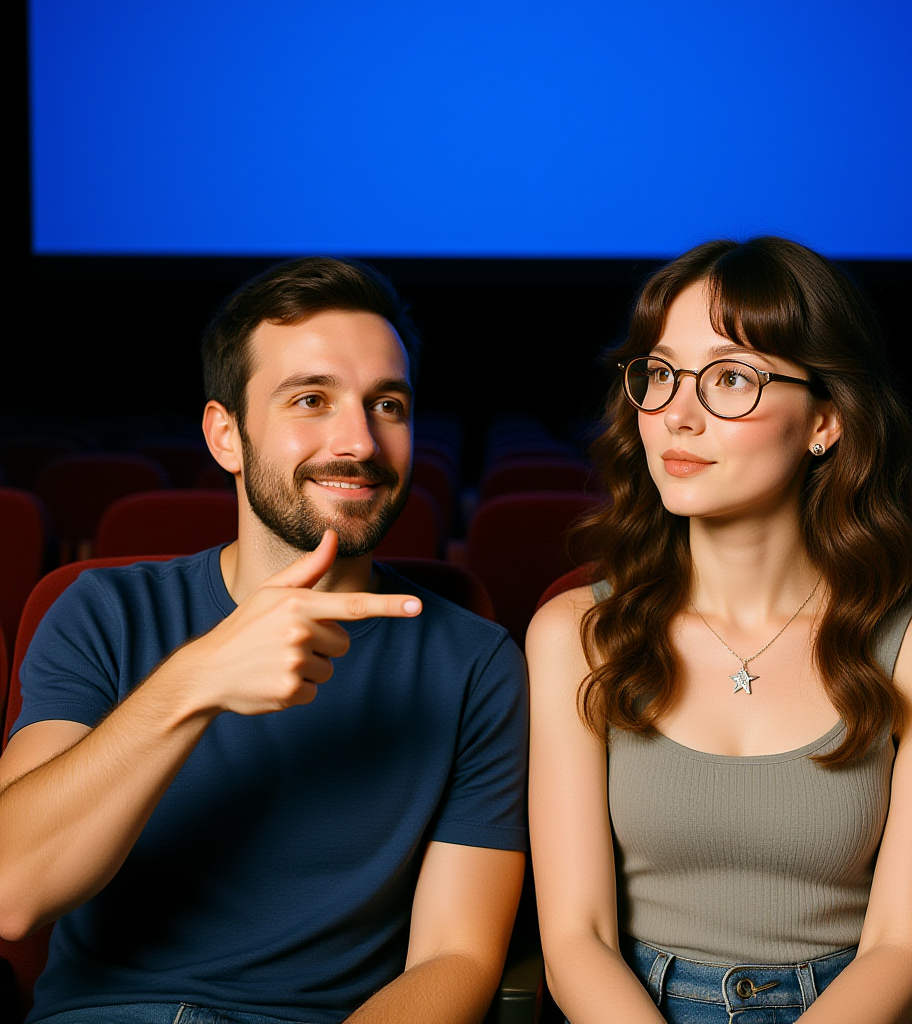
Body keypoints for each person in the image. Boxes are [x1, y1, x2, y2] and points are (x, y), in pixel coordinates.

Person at [0, 258, 528, 1024]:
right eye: (311, 400)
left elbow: (457, 957)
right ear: (227, 436)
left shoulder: (477, 663)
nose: (359, 442)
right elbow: (12, 891)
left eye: (387, 405)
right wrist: (196, 682)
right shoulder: (103, 611)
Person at [526, 238, 912, 1023]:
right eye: (661, 374)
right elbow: (576, 941)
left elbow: (902, 952)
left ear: (825, 423)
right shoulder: (575, 635)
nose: (676, 414)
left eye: (731, 378)